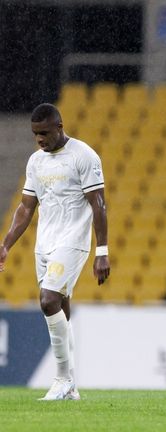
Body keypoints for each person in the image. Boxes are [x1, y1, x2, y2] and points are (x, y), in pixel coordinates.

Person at [0, 103, 110, 400]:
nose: (40, 139)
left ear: (59, 127)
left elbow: (98, 204)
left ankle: (62, 379)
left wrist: (102, 251)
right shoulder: (36, 161)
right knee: (59, 305)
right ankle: (71, 386)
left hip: (73, 241)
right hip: (45, 244)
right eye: (35, 134)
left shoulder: (83, 156)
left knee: (47, 300)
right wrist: (6, 244)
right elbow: (25, 207)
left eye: (45, 133)